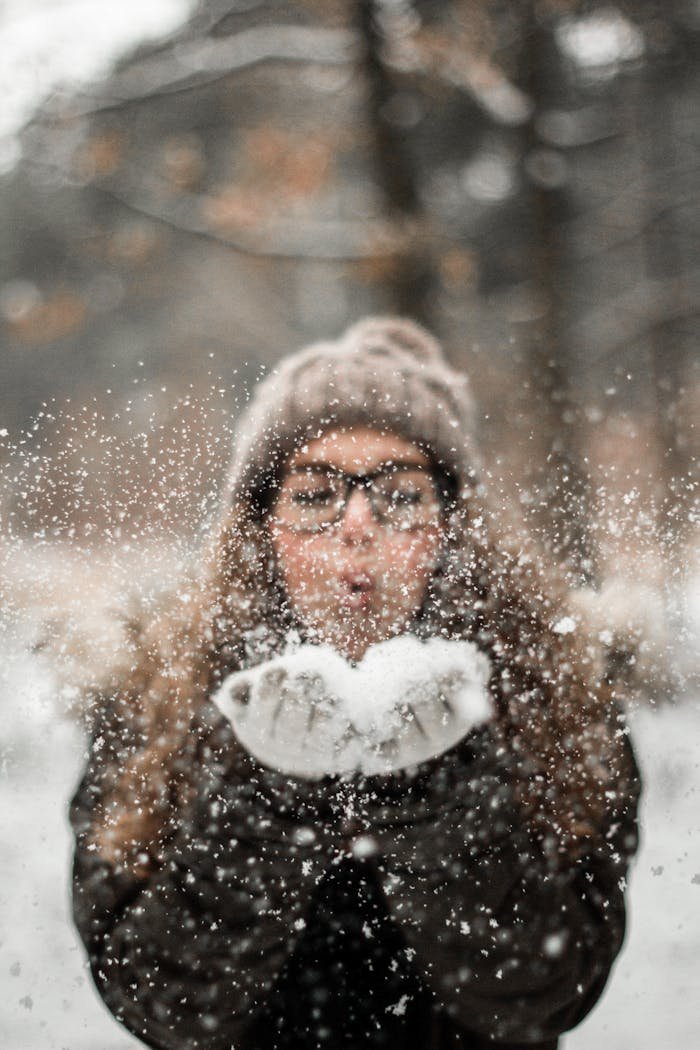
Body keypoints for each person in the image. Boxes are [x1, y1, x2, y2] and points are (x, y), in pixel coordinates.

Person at [70, 317, 640, 1050]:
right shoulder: (158, 693)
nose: (357, 524)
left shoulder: (557, 689)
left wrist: (437, 795)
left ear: (453, 525)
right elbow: (162, 1004)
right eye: (314, 495)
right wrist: (269, 801)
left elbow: (546, 992)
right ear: (260, 525)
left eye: (400, 494)